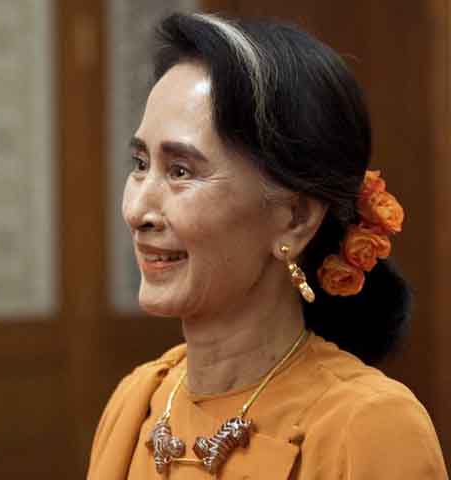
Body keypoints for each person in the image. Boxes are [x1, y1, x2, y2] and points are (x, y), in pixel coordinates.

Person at [87, 12, 448, 479]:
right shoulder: (136, 403)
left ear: (294, 218)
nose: (138, 209)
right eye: (139, 164)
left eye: (180, 171)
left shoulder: (368, 427)